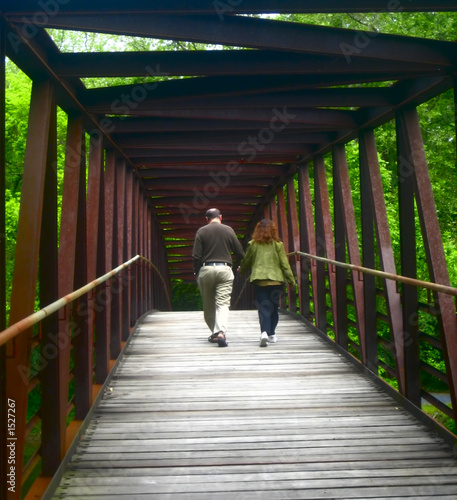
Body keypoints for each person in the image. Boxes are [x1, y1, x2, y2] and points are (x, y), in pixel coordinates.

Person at [192, 208, 245, 347]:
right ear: (220, 217)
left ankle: (215, 334)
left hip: (206, 269)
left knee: (208, 304)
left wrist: (197, 272)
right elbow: (240, 253)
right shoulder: (228, 230)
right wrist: (237, 266)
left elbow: (196, 256)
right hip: (225, 269)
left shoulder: (201, 231)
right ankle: (221, 331)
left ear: (206, 219)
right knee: (222, 303)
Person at [239, 219, 295, 347]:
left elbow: (247, 260)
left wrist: (241, 270)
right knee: (274, 307)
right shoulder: (278, 244)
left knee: (264, 307)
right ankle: (272, 334)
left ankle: (264, 332)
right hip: (277, 281)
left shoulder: (253, 244)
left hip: (260, 281)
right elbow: (284, 264)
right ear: (273, 230)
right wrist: (291, 280)